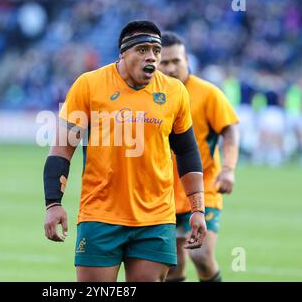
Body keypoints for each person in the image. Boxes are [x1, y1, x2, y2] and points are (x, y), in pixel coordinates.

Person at [43, 20, 207, 282]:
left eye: (156, 50)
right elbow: (62, 150)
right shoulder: (89, 85)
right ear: (123, 53)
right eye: (142, 49)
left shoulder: (175, 92)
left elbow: (187, 153)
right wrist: (53, 204)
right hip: (100, 215)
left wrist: (197, 209)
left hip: (155, 218)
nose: (151, 57)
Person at [159, 32, 239, 282]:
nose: (171, 68)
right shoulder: (151, 95)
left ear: (187, 61)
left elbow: (230, 131)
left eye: (177, 61)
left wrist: (228, 168)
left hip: (204, 189)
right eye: (165, 62)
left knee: (201, 256)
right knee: (171, 264)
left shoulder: (207, 93)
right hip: (164, 194)